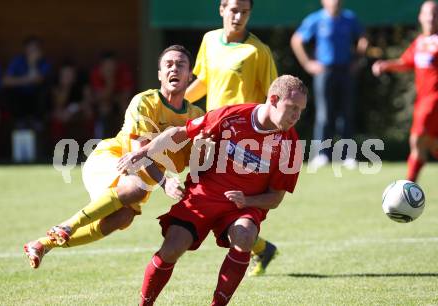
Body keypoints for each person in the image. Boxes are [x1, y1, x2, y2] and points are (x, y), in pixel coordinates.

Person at [123, 75, 307, 305]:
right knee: (171, 249)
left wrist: (247, 201)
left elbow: (275, 198)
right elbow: (179, 133)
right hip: (204, 194)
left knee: (245, 235)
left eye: (300, 110)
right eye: (292, 108)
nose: (296, 116)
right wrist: (143, 152)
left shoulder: (290, 145)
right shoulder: (233, 115)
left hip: (241, 206)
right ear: (273, 99)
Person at [23, 45, 204, 269]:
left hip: (139, 179)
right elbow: (138, 155)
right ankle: (67, 226)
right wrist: (165, 183)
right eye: (168, 65)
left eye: (180, 65)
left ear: (190, 75)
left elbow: (195, 161)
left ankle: (43, 244)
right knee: (135, 188)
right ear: (159, 74)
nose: (173, 69)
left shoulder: (196, 116)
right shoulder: (145, 101)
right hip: (111, 159)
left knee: (122, 218)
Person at [185, 0, 279, 276]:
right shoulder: (209, 40)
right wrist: (173, 104)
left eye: (245, 11)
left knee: (216, 200)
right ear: (222, 9)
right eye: (233, 9)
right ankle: (261, 247)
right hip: (209, 133)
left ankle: (257, 246)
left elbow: (271, 99)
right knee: (206, 197)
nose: (238, 16)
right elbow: (204, 81)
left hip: (240, 140)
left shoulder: (258, 51)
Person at [291, 0, 368, 170]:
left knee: (346, 112)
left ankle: (348, 156)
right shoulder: (315, 19)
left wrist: (358, 59)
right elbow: (297, 40)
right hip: (324, 72)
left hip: (346, 71)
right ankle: (322, 155)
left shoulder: (349, 18)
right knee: (324, 113)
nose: (336, 2)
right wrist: (308, 64)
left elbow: (363, 38)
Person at [372, 0, 438, 182]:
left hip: (433, 100)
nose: (431, 18)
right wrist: (386, 65)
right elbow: (406, 62)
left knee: (416, 140)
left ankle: (407, 186)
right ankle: (409, 185)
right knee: (430, 143)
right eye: (428, 14)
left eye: (435, 14)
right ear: (420, 17)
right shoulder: (419, 42)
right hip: (422, 100)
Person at [2, 35, 52, 127]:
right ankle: (20, 119)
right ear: (25, 49)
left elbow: (38, 80)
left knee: (45, 88)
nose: (31, 52)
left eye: (35, 49)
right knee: (8, 91)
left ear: (40, 51)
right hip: (20, 97)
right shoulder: (17, 61)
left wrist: (32, 63)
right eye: (29, 49)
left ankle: (37, 119)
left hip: (36, 99)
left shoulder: (45, 63)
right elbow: (5, 81)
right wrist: (26, 80)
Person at [48, 60, 94, 153]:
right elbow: (58, 104)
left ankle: (90, 149)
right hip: (62, 112)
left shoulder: (82, 83)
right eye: (65, 74)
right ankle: (59, 151)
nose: (68, 76)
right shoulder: (55, 84)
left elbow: (88, 101)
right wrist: (66, 87)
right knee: (58, 115)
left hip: (79, 111)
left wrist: (74, 109)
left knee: (89, 112)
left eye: (70, 73)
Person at [90, 50, 135, 138]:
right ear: (102, 66)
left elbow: (126, 95)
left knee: (125, 106)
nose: (110, 68)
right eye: (107, 65)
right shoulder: (96, 73)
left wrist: (112, 96)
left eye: (112, 65)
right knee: (104, 107)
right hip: (102, 104)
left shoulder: (123, 71)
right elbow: (99, 97)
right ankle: (100, 138)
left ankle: (128, 136)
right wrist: (110, 81)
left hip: (119, 101)